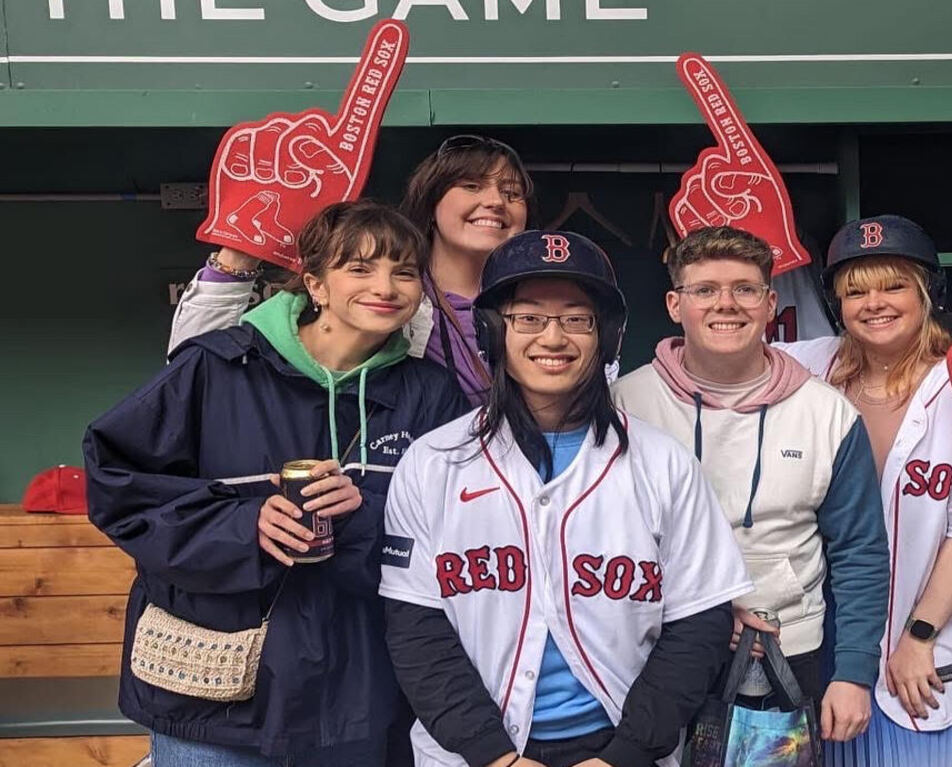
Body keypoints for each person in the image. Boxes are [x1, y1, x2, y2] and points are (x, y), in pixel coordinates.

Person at [84, 200, 470, 766]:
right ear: (315, 283)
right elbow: (119, 486)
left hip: (362, 698)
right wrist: (246, 523)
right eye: (359, 269)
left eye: (404, 271)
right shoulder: (215, 368)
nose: (385, 286)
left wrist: (363, 514)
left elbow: (460, 526)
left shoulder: (430, 395)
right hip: (215, 695)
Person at [380, 230, 753, 767]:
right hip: (472, 753)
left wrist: (622, 756)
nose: (552, 338)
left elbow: (698, 624)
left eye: (577, 319)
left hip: (625, 748)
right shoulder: (434, 461)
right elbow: (415, 628)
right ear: (491, 332)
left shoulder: (662, 462)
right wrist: (494, 755)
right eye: (527, 318)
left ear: (606, 336)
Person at [610, 226, 890, 744]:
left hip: (785, 652)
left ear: (769, 304)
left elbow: (860, 552)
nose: (727, 304)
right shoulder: (624, 408)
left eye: (744, 289)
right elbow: (602, 540)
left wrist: (853, 673)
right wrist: (709, 609)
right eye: (705, 290)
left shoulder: (826, 413)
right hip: (652, 648)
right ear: (675, 305)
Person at [779, 216, 952, 765]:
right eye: (855, 291)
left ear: (928, 294)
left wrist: (918, 636)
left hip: (920, 638)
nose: (874, 303)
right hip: (819, 634)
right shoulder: (804, 368)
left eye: (893, 285)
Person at [171, 134, 533, 404]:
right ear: (431, 198)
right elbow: (191, 368)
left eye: (512, 193)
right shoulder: (377, 294)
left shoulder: (546, 296)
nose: (495, 202)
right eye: (471, 186)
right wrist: (238, 253)